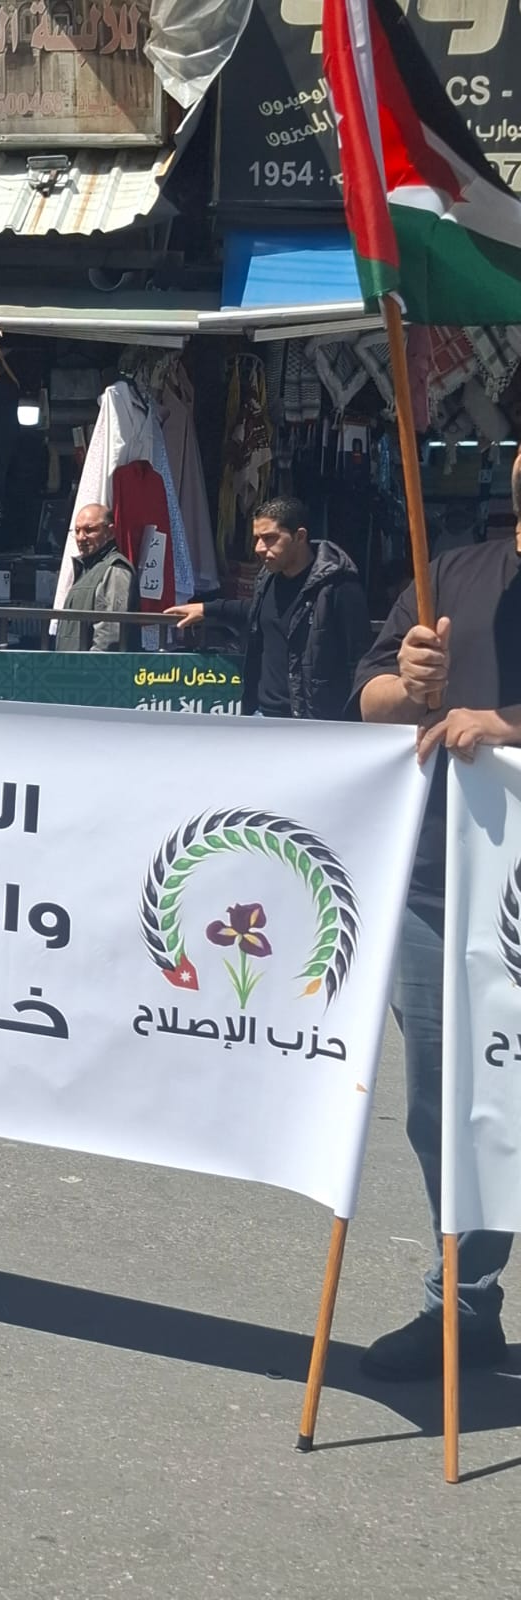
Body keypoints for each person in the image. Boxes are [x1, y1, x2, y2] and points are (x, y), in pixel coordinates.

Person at [351, 443, 521, 1381]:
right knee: (449, 1112)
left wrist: (508, 728)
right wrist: (407, 685)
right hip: (430, 887)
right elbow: (371, 696)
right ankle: (464, 1307)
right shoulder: (448, 571)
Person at [164, 496, 370, 719]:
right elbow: (256, 611)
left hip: (313, 723)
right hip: (262, 716)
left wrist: (354, 725)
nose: (259, 548)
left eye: (270, 538)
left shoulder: (338, 587)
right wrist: (207, 609)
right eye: (257, 539)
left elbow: (358, 660)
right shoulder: (268, 578)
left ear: (299, 536)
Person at [53, 503, 135, 652]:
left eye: (89, 530)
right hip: (72, 663)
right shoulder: (87, 569)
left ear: (110, 532)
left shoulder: (115, 569)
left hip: (91, 665)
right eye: (77, 531)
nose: (81, 537)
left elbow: (109, 635)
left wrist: (94, 664)